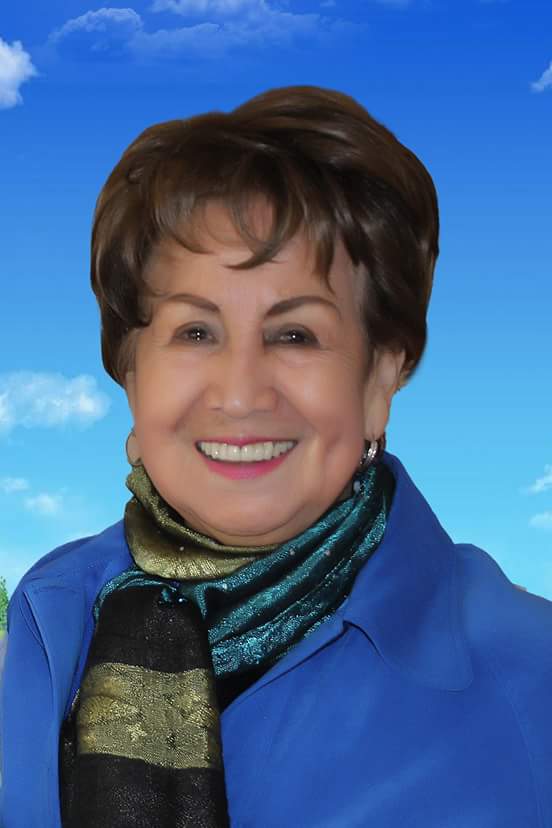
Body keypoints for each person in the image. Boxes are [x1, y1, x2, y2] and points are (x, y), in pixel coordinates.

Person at [1, 85, 551, 828]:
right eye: (195, 332)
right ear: (131, 373)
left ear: (381, 377)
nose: (240, 394)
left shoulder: (532, 679)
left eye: (295, 335)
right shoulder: (53, 616)